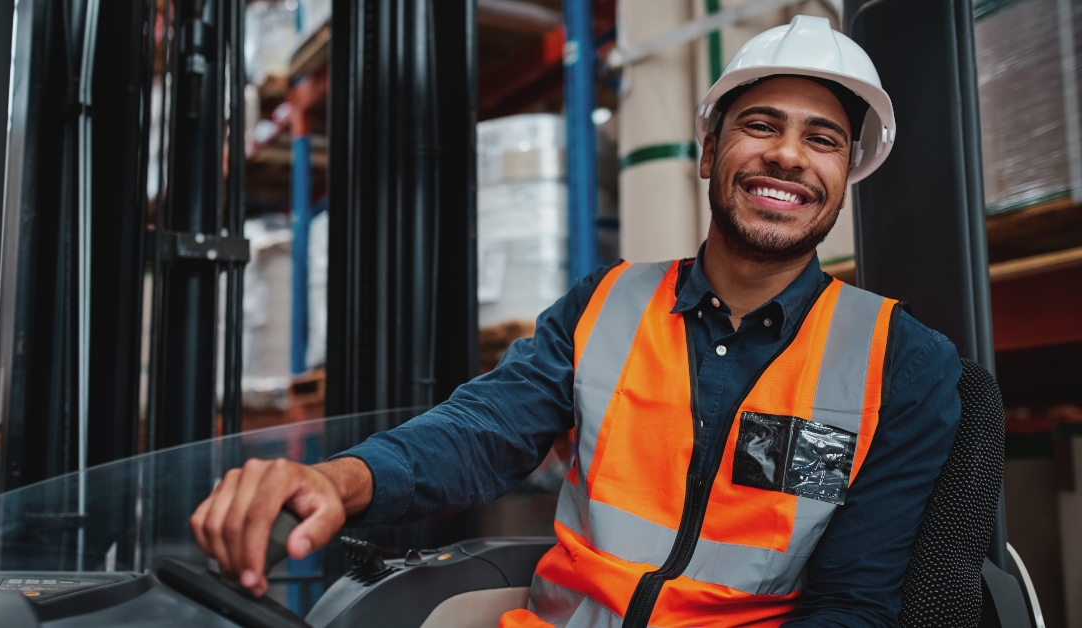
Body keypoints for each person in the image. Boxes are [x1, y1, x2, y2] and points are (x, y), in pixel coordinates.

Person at [190, 16, 961, 627]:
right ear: (709, 150)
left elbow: (853, 608)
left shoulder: (903, 362)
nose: (789, 155)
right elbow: (483, 430)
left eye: (822, 139)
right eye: (761, 125)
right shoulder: (608, 304)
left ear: (844, 176)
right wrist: (336, 478)